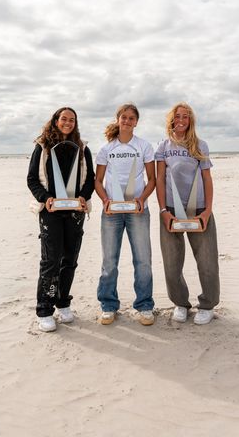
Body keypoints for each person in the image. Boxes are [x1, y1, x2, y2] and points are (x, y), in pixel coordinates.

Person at [27, 107, 95, 332]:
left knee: (70, 260)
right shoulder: (42, 146)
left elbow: (90, 179)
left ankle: (63, 303)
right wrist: (45, 198)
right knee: (51, 261)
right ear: (55, 121)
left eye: (72, 120)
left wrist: (84, 197)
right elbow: (32, 179)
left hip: (75, 212)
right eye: (63, 119)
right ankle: (44, 310)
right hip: (51, 212)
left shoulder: (82, 147)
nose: (67, 123)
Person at [155, 102, 219, 325]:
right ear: (171, 119)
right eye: (178, 116)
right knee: (172, 263)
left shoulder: (200, 145)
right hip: (171, 210)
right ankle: (180, 303)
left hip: (198, 209)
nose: (181, 120)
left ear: (191, 120)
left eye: (185, 116)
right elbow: (160, 179)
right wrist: (163, 210)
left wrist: (207, 211)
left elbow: (207, 179)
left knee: (207, 261)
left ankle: (207, 305)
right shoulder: (163, 146)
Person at [95, 103, 156, 326]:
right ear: (118, 119)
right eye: (124, 117)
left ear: (136, 122)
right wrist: (105, 201)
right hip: (112, 212)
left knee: (143, 260)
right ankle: (108, 305)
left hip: (138, 211)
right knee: (109, 261)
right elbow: (98, 181)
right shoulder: (106, 149)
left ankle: (145, 306)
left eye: (131, 118)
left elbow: (152, 180)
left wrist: (141, 199)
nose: (127, 121)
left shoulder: (144, 146)